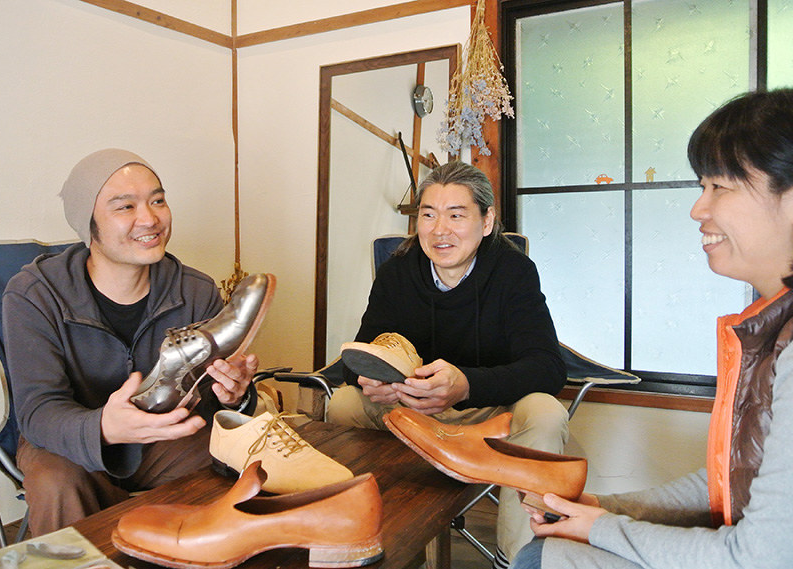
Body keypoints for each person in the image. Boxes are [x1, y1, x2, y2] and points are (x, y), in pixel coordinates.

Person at [512, 88, 793, 569]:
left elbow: (761, 556)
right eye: (702, 186)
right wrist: (604, 509)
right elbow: (731, 478)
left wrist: (601, 527)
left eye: (719, 187)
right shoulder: (773, 326)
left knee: (540, 557)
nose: (698, 209)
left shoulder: (513, 270)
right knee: (546, 551)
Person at [2, 149, 259, 536]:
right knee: (56, 482)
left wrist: (234, 395)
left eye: (158, 200)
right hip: (67, 441)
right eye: (125, 207)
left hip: (162, 436)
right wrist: (104, 428)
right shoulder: (34, 294)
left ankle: (194, 553)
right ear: (88, 224)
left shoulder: (195, 290)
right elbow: (38, 412)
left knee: (241, 459)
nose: (150, 219)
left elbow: (204, 400)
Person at [326, 160, 569, 566]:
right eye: (428, 215)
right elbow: (359, 355)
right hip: (413, 411)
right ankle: (379, 543)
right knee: (344, 404)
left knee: (545, 413)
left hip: (489, 415)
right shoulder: (398, 272)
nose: (440, 230)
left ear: (486, 221)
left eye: (456, 215)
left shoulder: (514, 272)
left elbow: (547, 367)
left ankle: (519, 558)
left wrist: (467, 385)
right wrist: (372, 377)